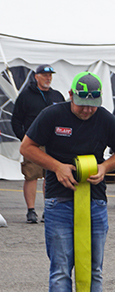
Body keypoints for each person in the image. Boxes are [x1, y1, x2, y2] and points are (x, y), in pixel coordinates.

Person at [19, 71, 115, 292]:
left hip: (95, 201)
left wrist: (104, 167)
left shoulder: (106, 119)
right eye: (82, 104)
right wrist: (57, 166)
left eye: (92, 105)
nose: (87, 110)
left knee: (94, 267)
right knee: (61, 266)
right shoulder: (52, 115)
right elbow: (27, 147)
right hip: (59, 201)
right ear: (71, 95)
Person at [11, 64, 65, 224]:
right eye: (45, 75)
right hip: (34, 143)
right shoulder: (26, 96)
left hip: (54, 143)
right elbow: (16, 120)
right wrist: (24, 139)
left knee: (51, 176)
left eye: (50, 75)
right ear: (36, 77)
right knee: (31, 175)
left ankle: (49, 209)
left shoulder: (57, 96)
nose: (48, 78)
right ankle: (31, 210)